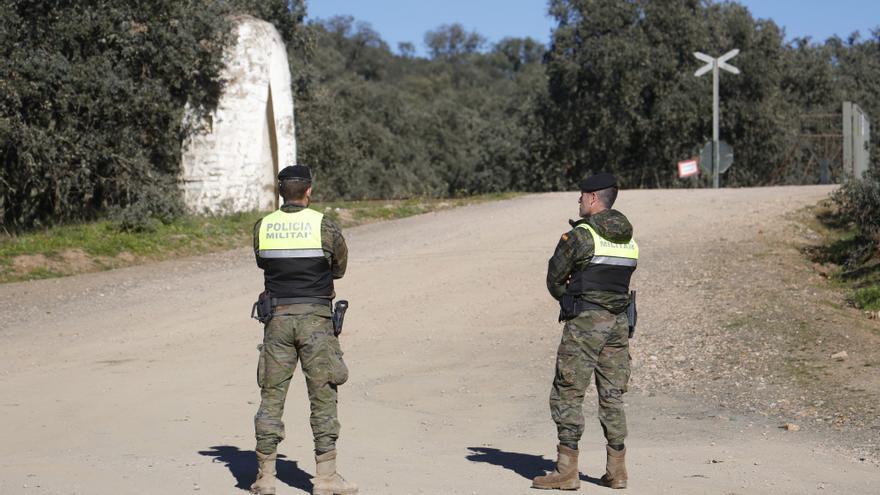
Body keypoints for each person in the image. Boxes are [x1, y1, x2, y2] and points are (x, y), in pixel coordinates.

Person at [250, 165, 358, 495]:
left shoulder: (263, 226)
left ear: (281, 192)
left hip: (277, 320)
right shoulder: (324, 226)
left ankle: (265, 478)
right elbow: (338, 268)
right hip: (317, 322)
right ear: (309, 191)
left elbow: (262, 261)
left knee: (271, 396)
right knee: (323, 395)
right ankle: (326, 478)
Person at [532, 172, 638, 491]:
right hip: (619, 323)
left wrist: (567, 297)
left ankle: (567, 470)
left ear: (593, 198)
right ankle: (617, 470)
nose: (578, 200)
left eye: (581, 195)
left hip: (585, 323)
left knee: (569, 389)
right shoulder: (629, 239)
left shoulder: (580, 236)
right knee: (612, 394)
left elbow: (555, 277)